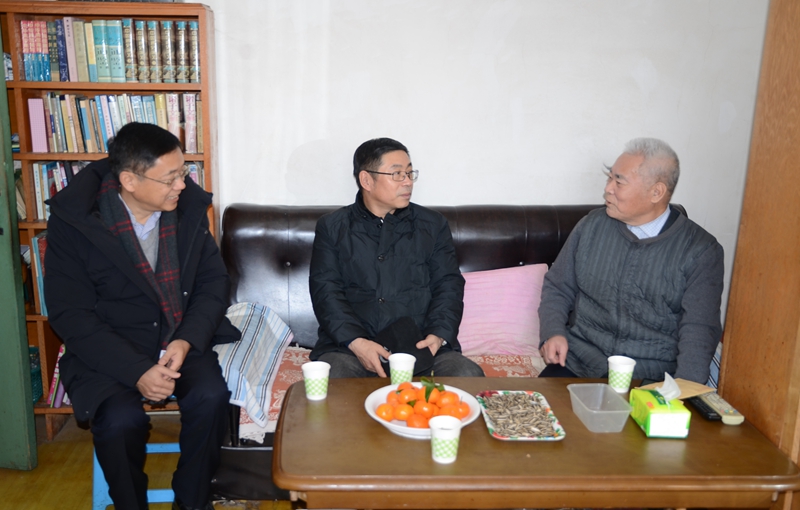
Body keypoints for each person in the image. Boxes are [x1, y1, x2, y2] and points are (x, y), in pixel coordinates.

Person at [44, 123, 240, 510]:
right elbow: (71, 314)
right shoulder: (76, 223)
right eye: (170, 179)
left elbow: (212, 283)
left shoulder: (187, 211)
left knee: (211, 397)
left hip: (178, 336)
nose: (181, 185)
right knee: (120, 421)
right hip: (108, 349)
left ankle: (193, 501)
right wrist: (137, 370)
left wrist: (186, 340)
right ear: (130, 181)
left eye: (183, 173)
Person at [538, 138, 723, 384]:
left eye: (619, 181)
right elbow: (558, 287)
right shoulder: (591, 226)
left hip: (650, 376)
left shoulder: (700, 251)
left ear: (656, 192)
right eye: (609, 178)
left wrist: (684, 391)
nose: (608, 189)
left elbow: (699, 329)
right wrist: (553, 332)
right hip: (580, 363)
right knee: (532, 407)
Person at [308, 137, 484, 378]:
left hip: (420, 345)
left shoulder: (432, 225)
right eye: (397, 174)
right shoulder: (333, 227)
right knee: (334, 380)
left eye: (410, 173)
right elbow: (326, 291)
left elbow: (448, 285)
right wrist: (357, 342)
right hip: (351, 348)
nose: (407, 182)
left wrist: (438, 335)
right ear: (366, 180)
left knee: (466, 375)